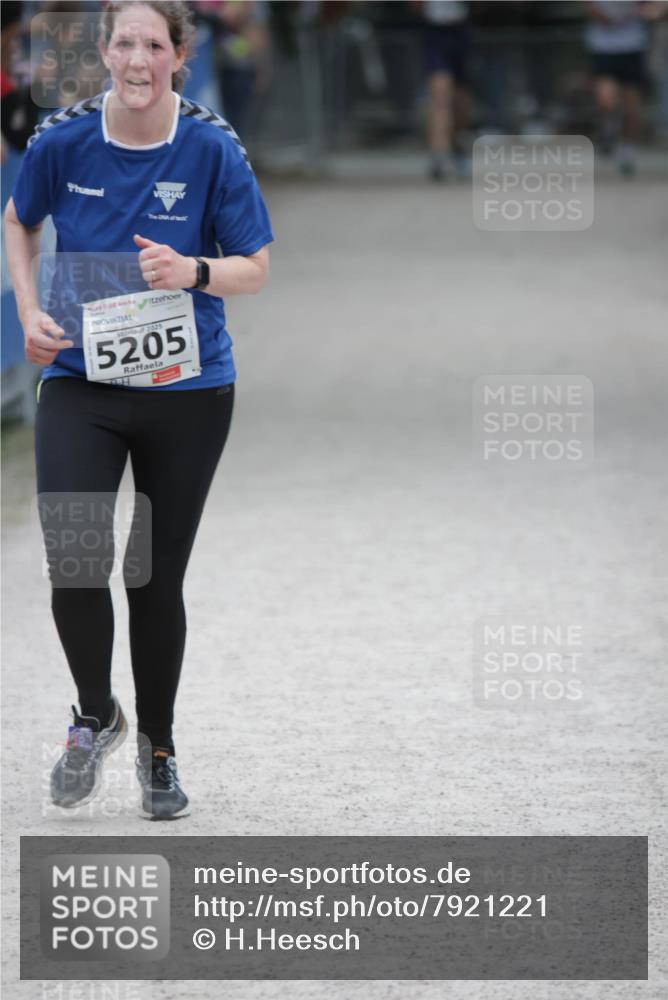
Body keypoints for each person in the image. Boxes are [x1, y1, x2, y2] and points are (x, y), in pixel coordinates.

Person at [4, 0, 273, 819]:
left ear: (179, 55)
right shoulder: (63, 139)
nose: (138, 59)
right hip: (83, 381)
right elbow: (19, 223)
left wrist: (192, 270)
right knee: (76, 556)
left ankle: (159, 748)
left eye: (155, 44)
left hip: (185, 392)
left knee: (151, 576)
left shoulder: (211, 146)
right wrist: (26, 313)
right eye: (125, 42)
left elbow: (254, 268)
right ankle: (96, 714)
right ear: (105, 50)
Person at [584, 1, 660, 175]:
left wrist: (648, 11)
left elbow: (657, 5)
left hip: (632, 46)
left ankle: (627, 150)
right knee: (606, 100)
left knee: (631, 106)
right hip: (603, 47)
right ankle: (608, 129)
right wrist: (604, 17)